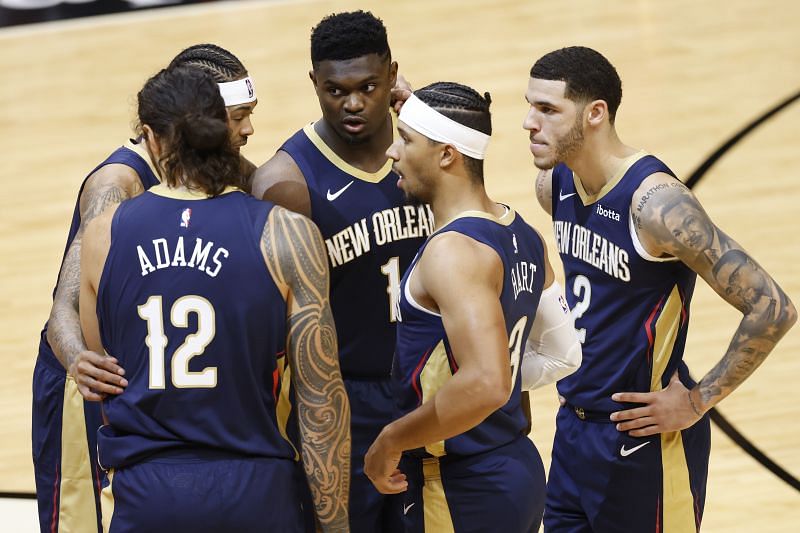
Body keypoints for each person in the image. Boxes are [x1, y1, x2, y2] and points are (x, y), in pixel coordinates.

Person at [524, 46, 797, 532]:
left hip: (642, 438)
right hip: (572, 431)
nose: (529, 122)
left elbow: (772, 307)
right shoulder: (554, 185)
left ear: (595, 114)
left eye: (547, 110)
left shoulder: (657, 206)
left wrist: (697, 401)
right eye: (530, 106)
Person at [78, 66, 350, 532]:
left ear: (152, 139)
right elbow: (320, 400)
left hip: (148, 493)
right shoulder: (286, 234)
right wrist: (336, 525)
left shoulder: (104, 234)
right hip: (257, 489)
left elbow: (104, 362)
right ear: (227, 127)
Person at [33, 43, 256, 532]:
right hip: (98, 378)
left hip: (161, 373)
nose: (247, 131)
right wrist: (78, 361)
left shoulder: (218, 165)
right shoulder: (118, 182)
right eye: (236, 118)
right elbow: (63, 310)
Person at [364, 82, 581, 532]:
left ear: (447, 155)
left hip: (460, 484)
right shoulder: (523, 234)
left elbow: (485, 383)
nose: (392, 152)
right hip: (516, 466)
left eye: (406, 139)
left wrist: (390, 440)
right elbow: (564, 352)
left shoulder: (453, 253)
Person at [251, 11, 432, 532]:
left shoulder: (426, 153)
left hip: (429, 389)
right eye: (335, 90)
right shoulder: (288, 182)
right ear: (314, 83)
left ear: (393, 76)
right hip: (343, 399)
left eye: (369, 87)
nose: (352, 103)